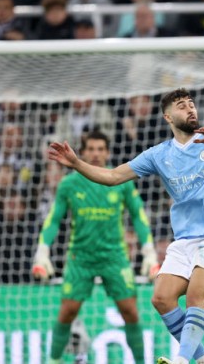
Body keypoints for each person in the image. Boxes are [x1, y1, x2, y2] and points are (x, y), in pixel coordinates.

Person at [48, 89, 204, 364]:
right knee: (161, 298)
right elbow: (112, 176)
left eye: (192, 104)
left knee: (196, 295)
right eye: (182, 106)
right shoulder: (159, 155)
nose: (190, 109)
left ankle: (182, 361)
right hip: (184, 240)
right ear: (168, 116)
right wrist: (76, 163)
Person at [34, 131, 158, 364]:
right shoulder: (69, 184)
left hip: (114, 257)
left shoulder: (121, 181)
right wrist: (42, 253)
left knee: (130, 312)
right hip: (81, 258)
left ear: (108, 152)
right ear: (83, 152)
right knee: (67, 312)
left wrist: (149, 253)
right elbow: (53, 219)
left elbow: (139, 216)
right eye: (91, 148)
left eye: (101, 149)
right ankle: (53, 360)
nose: (96, 153)